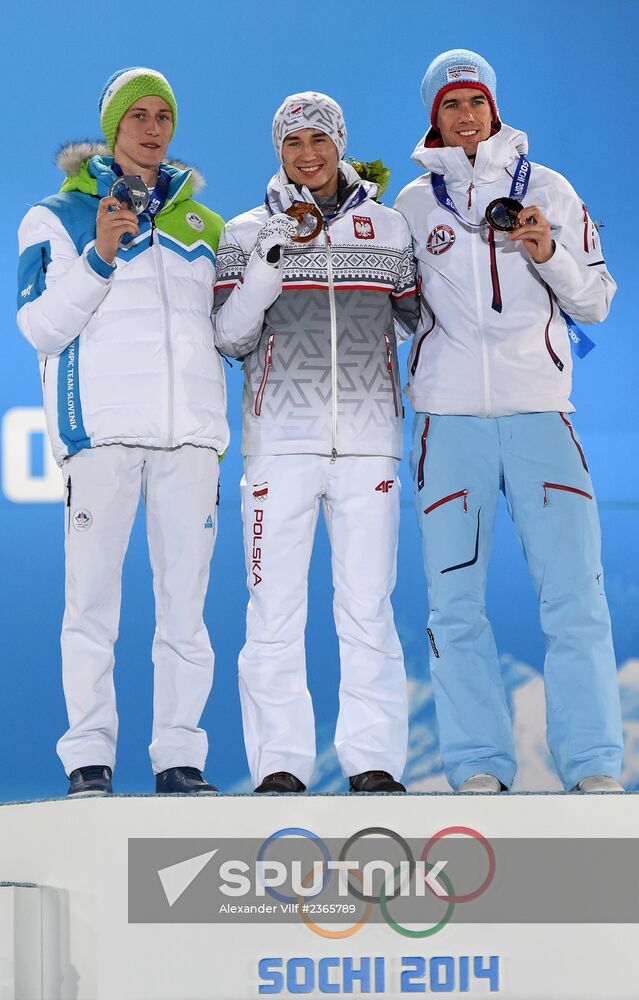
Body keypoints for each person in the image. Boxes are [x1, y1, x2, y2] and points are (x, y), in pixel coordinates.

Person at [394, 49, 624, 794]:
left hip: (539, 414)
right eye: (450, 105)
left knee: (573, 596)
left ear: (494, 110)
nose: (465, 117)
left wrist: (546, 251)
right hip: (447, 421)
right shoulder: (410, 205)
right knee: (454, 607)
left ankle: (591, 765)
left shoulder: (548, 189)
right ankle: (476, 769)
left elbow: (595, 299)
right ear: (434, 117)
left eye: (475, 103)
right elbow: (396, 315)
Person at [17, 67, 228, 795]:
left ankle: (179, 758)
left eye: (162, 116)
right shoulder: (57, 215)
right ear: (111, 128)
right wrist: (101, 254)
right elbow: (40, 328)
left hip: (190, 441)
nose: (151, 128)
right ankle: (88, 759)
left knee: (186, 615)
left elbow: (226, 332)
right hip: (102, 437)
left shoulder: (204, 224)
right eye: (136, 115)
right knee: (91, 607)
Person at [214, 92, 419, 794]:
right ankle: (280, 764)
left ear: (340, 144)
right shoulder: (246, 231)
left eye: (319, 140)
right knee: (274, 610)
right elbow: (230, 336)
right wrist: (265, 272)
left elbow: (416, 319)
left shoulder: (388, 229)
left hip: (369, 446)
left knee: (367, 606)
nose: (308, 155)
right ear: (278, 152)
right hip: (279, 444)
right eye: (293, 143)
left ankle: (374, 762)